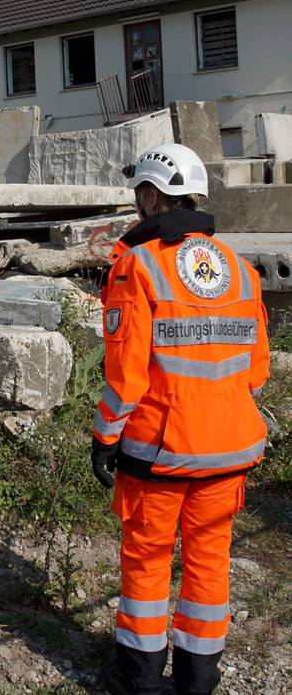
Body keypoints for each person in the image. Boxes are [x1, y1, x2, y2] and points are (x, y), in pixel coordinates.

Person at [91, 143, 270, 695]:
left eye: (138, 195)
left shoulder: (136, 265)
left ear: (150, 197)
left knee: (147, 565)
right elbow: (256, 371)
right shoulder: (240, 269)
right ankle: (198, 680)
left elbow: (127, 377)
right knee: (210, 564)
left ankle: (140, 679)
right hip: (231, 445)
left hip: (159, 450)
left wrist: (105, 436)